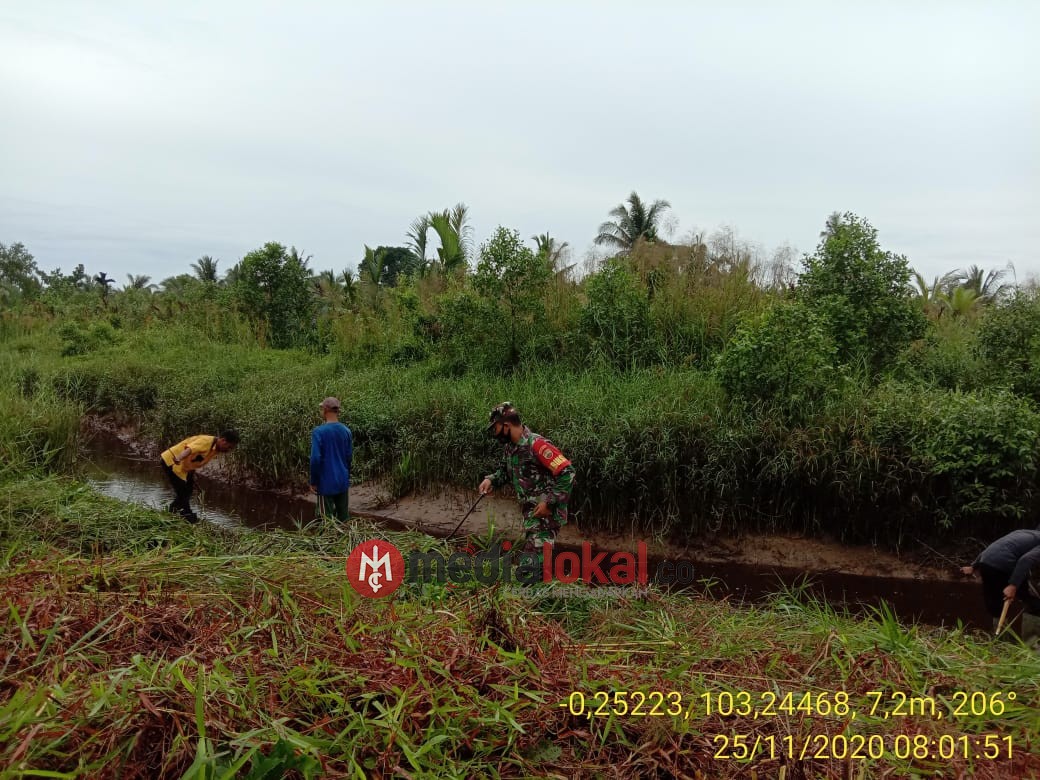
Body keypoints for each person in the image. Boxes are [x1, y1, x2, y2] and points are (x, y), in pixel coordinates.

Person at [478, 402, 575, 558]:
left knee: (531, 570)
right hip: (532, 516)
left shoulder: (537, 445)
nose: (495, 434)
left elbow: (567, 472)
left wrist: (549, 502)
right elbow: (505, 471)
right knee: (535, 569)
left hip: (545, 516)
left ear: (506, 425)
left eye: (495, 428)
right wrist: (491, 480)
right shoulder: (511, 448)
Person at [960, 529, 1040, 626]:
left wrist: (973, 566)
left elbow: (995, 546)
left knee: (994, 603)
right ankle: (1031, 640)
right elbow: (1026, 560)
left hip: (986, 563)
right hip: (1004, 565)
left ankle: (999, 637)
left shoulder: (1022, 532)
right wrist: (1013, 585)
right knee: (1033, 602)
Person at [159, 430, 239, 522]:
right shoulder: (206, 441)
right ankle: (187, 515)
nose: (228, 450)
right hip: (172, 462)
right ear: (223, 440)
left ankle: (173, 511)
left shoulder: (215, 448)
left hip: (183, 467)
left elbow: (195, 458)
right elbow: (189, 449)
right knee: (183, 492)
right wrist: (179, 457)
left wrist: (191, 473)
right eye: (229, 447)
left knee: (188, 490)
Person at [310, 396, 353, 521]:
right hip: (342, 480)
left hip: (326, 482)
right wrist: (346, 475)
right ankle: (347, 539)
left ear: (324, 410)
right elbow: (349, 457)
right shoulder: (346, 431)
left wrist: (314, 481)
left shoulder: (319, 432)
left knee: (326, 521)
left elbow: (315, 458)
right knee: (343, 518)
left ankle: (328, 540)